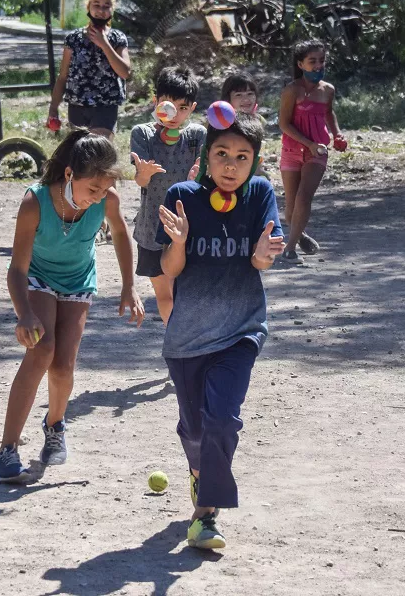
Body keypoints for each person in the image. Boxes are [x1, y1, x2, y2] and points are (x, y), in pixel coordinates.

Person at [156, 111, 284, 549]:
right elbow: (170, 271)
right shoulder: (182, 196)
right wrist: (178, 242)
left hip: (241, 329)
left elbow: (259, 260)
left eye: (242, 157)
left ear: (256, 161)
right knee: (193, 430)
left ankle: (205, 515)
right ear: (207, 156)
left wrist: (264, 254)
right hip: (187, 337)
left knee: (223, 420)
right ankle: (200, 475)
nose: (231, 165)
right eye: (222, 154)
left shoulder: (260, 194)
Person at [0, 129, 145, 483]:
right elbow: (16, 269)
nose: (98, 197)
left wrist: (128, 286)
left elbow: (120, 235)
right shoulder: (35, 201)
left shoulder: (107, 201)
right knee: (41, 350)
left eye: (104, 190)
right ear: (70, 174)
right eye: (93, 189)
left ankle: (55, 425)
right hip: (38, 278)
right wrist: (24, 313)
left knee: (63, 365)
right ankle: (6, 451)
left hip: (78, 281)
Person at [130, 66, 205, 325]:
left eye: (183, 107)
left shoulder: (197, 135)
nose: (174, 114)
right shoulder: (143, 134)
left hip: (190, 226)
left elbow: (206, 180)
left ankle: (191, 342)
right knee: (165, 293)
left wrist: (199, 177)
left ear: (192, 108)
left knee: (187, 291)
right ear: (156, 101)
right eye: (168, 105)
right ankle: (176, 342)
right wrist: (145, 173)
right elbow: (140, 181)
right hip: (153, 226)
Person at [278, 39, 347, 264]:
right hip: (292, 149)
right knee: (291, 205)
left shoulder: (328, 90)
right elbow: (284, 124)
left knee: (304, 197)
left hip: (317, 150)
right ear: (300, 64)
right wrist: (306, 143)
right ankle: (300, 235)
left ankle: (289, 249)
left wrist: (337, 135)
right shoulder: (292, 91)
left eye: (322, 60)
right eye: (312, 61)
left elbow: (329, 113)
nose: (318, 65)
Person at [48, 0, 131, 139]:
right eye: (96, 5)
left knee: (99, 152)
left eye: (106, 6)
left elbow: (124, 72)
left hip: (106, 106)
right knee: (81, 155)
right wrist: (53, 108)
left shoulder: (117, 38)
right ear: (88, 7)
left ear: (112, 10)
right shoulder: (73, 39)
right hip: (77, 106)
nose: (101, 10)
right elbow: (63, 76)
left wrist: (104, 44)